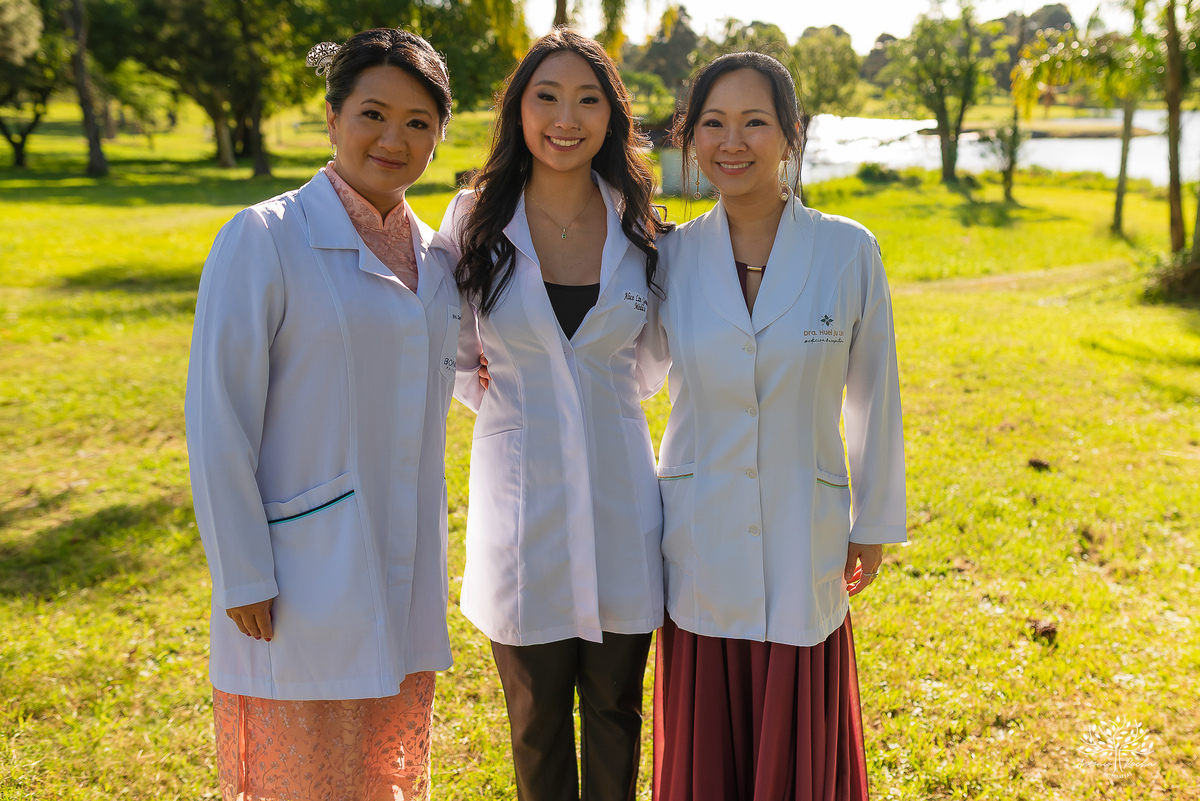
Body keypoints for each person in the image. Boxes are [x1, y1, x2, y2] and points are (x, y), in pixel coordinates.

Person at [184, 28, 458, 801]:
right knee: (298, 777)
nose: (392, 138)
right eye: (373, 113)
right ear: (333, 117)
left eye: (417, 123)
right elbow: (218, 416)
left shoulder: (438, 261)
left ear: (439, 137)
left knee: (379, 774)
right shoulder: (264, 238)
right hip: (295, 570)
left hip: (400, 562)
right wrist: (241, 569)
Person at [651, 52, 907, 801]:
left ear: (792, 134)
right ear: (690, 138)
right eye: (713, 123)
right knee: (711, 741)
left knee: (798, 722)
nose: (733, 141)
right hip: (702, 530)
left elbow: (874, 395)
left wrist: (875, 520)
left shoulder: (846, 250)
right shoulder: (671, 254)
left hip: (807, 531)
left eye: (754, 122)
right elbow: (620, 368)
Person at [432, 28, 671, 801]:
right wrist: (518, 399)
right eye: (547, 96)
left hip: (620, 503)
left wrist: (586, 393)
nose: (566, 118)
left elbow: (651, 361)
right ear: (519, 110)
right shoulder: (474, 216)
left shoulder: (640, 225)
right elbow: (451, 353)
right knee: (534, 721)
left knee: (616, 709)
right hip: (519, 507)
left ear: (612, 116)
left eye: (587, 99)